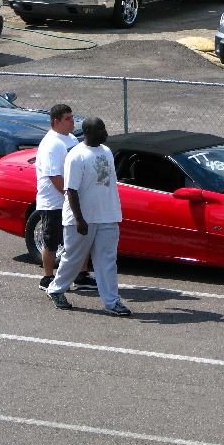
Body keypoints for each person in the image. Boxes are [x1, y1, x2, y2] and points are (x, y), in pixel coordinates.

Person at [46, 117, 130, 316]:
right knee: (73, 259)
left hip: (107, 216)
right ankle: (56, 290)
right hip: (82, 219)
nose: (106, 132)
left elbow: (105, 183)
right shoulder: (76, 156)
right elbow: (71, 190)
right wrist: (78, 218)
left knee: (107, 260)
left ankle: (112, 302)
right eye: (101, 129)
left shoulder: (106, 151)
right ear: (88, 132)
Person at [35, 104, 97, 292]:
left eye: (72, 117)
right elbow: (54, 176)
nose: (72, 121)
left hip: (71, 200)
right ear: (57, 121)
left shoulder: (70, 138)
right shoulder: (51, 144)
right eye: (68, 118)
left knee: (81, 237)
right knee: (52, 240)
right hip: (53, 202)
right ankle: (47, 278)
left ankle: (81, 275)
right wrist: (70, 197)